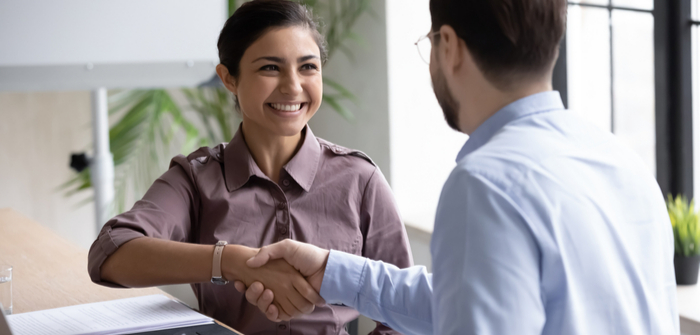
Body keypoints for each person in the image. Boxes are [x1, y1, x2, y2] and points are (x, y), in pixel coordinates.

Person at [235, 0, 681, 334]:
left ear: (448, 46)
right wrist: (333, 271)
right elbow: (467, 301)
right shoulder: (621, 160)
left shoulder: (486, 184)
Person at [86, 1, 413, 334]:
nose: (293, 86)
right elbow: (111, 252)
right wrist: (233, 262)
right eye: (270, 68)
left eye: (308, 67)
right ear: (229, 78)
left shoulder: (360, 179)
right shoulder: (196, 178)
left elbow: (407, 313)